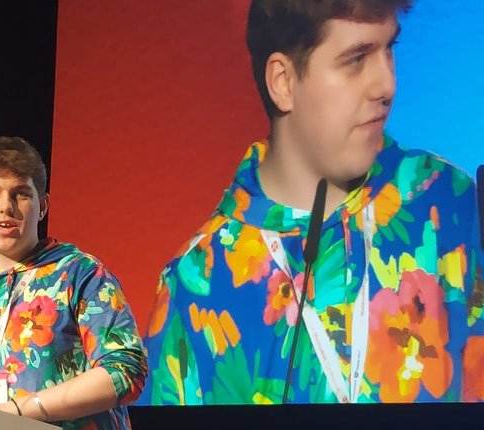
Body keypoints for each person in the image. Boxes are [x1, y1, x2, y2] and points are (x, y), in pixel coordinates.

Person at [140, 0, 484, 405]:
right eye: (356, 58)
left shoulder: (451, 204)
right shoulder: (195, 283)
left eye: (388, 48)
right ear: (283, 82)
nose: (386, 84)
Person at [0, 136, 148, 430]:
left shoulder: (80, 273)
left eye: (20, 194)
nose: (6, 206)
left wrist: (21, 409)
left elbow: (126, 369)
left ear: (42, 206)